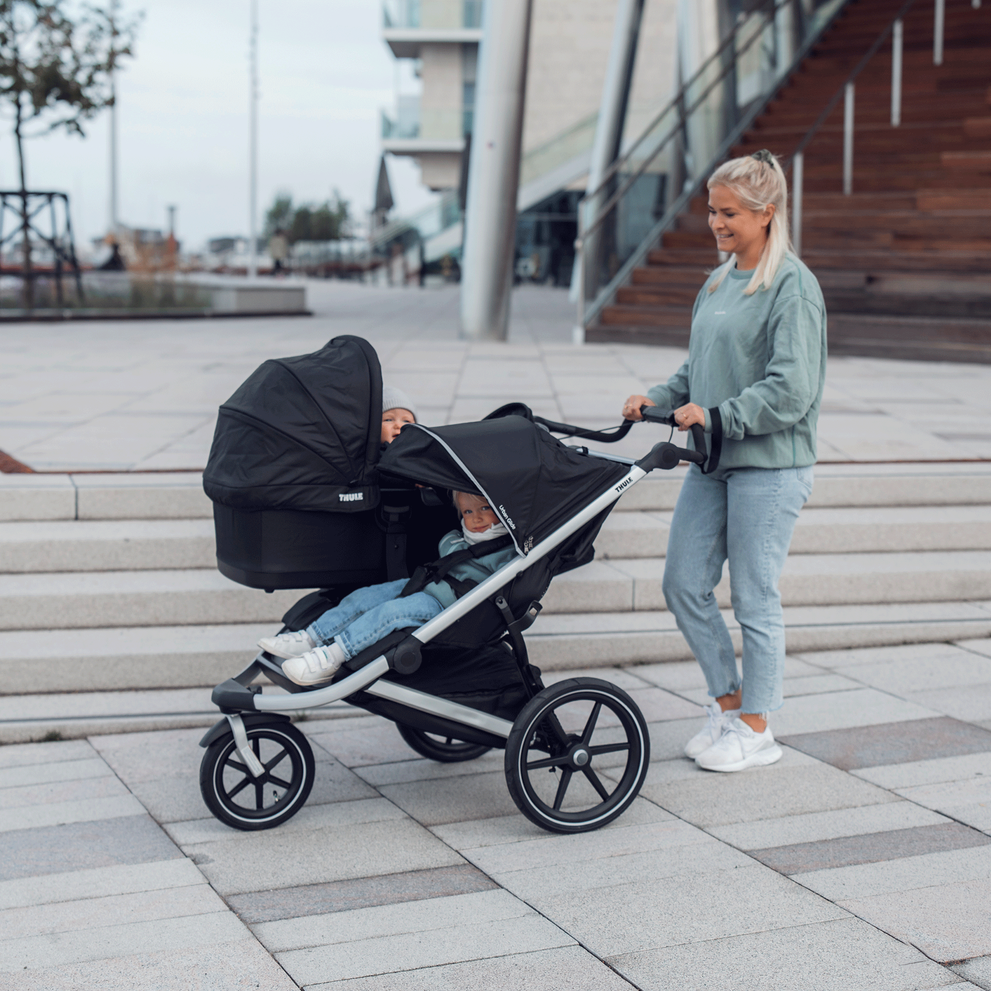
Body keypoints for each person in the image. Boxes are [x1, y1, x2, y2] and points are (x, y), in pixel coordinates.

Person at [622, 149, 826, 773]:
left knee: (755, 596)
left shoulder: (792, 285)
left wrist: (719, 416)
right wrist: (657, 399)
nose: (716, 223)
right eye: (712, 211)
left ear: (766, 214)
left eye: (729, 212)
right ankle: (728, 704)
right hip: (714, 460)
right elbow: (696, 370)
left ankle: (759, 726)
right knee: (683, 582)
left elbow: (793, 388)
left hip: (769, 464)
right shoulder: (717, 280)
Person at [259, 491, 517, 685]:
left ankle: (331, 657)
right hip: (426, 583)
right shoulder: (458, 538)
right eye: (468, 512)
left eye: (485, 508)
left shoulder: (504, 553)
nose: (477, 518)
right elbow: (447, 545)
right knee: (365, 597)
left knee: (389, 614)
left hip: (448, 605)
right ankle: (312, 637)